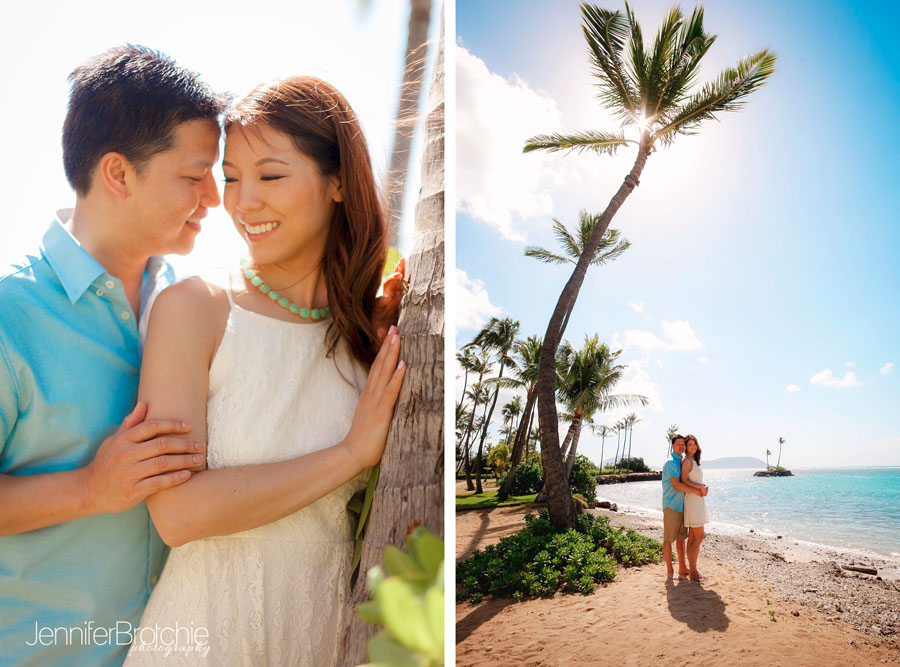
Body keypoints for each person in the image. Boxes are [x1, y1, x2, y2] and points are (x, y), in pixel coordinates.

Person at [124, 76, 405, 665]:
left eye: (270, 176)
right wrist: (351, 454)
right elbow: (176, 514)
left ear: (336, 183)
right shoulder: (194, 309)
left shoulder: (367, 337)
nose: (242, 201)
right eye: (230, 178)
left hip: (322, 637)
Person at [0, 45, 224, 665]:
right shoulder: (9, 315)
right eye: (193, 175)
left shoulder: (189, 306)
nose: (214, 197)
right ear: (119, 174)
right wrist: (91, 488)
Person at [661, 434, 707, 580]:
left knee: (681, 538)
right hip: (671, 506)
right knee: (669, 539)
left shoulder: (681, 461)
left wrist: (700, 488)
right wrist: (698, 490)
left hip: (682, 506)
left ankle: (683, 568)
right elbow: (677, 484)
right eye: (678, 444)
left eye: (683, 444)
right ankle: (669, 571)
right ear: (672, 446)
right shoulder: (670, 463)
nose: (681, 446)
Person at [681, 434, 709, 582]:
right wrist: (699, 486)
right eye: (689, 444)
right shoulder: (686, 461)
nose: (692, 447)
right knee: (698, 537)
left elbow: (695, 480)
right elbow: (684, 480)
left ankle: (693, 570)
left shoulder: (694, 461)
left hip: (697, 500)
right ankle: (693, 571)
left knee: (693, 537)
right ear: (686, 447)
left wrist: (704, 486)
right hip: (692, 501)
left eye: (694, 444)